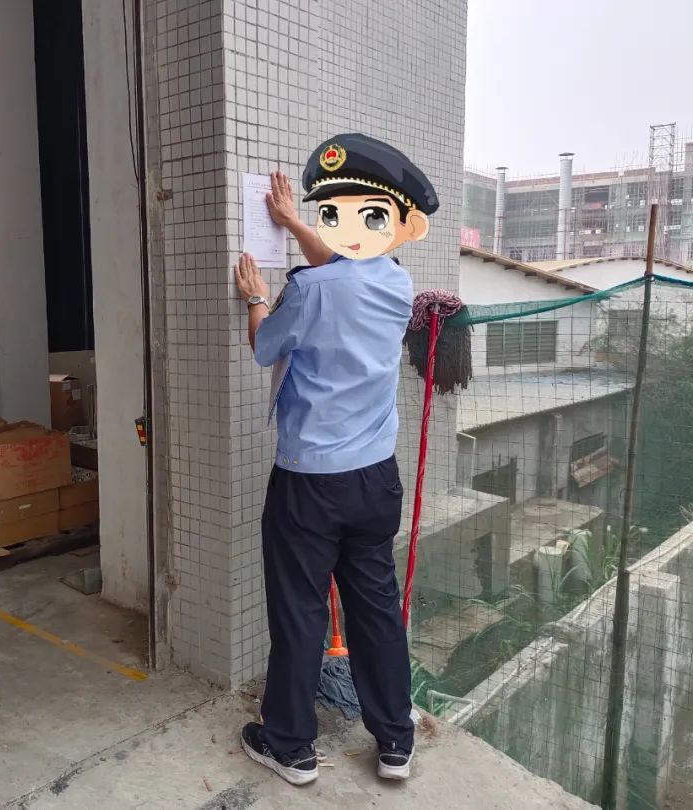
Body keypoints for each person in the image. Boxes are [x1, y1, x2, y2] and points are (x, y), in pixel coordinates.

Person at [232, 133, 439, 786]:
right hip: (376, 481)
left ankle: (290, 747)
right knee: (375, 609)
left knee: (301, 612)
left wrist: (255, 297)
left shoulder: (309, 291)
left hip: (310, 486)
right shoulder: (397, 284)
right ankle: (396, 741)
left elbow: (265, 347)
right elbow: (344, 271)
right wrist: (293, 223)